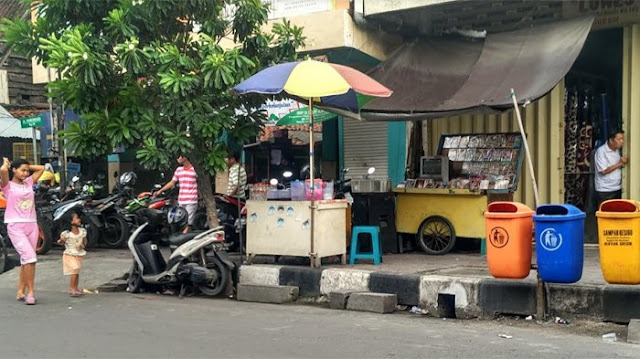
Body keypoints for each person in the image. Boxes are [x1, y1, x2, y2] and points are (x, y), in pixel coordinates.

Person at [0, 157, 45, 305]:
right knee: (30, 258)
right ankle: (30, 292)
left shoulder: (29, 183)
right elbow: (2, 170)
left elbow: (42, 168)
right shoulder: (7, 186)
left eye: (27, 171)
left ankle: (20, 291)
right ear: (14, 170)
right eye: (22, 170)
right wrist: (7, 164)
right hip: (15, 226)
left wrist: (26, 166)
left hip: (31, 224)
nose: (26, 173)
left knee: (27, 260)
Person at [154, 155, 198, 233]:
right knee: (180, 220)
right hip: (181, 200)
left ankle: (184, 239)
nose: (178, 159)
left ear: (185, 157)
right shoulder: (179, 170)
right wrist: (160, 190)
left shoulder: (195, 169)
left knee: (188, 223)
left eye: (179, 157)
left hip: (191, 200)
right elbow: (172, 182)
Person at [594, 130, 627, 209]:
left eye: (622, 139)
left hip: (617, 187)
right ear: (611, 140)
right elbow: (603, 171)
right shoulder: (601, 152)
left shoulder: (618, 150)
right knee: (605, 214)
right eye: (619, 139)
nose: (621, 141)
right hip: (605, 190)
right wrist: (620, 163)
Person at [57, 211, 87, 297]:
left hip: (78, 254)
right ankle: (72, 289)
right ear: (71, 222)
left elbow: (85, 241)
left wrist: (83, 245)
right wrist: (61, 241)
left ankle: (76, 288)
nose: (79, 219)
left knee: (76, 271)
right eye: (77, 218)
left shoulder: (82, 231)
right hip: (70, 254)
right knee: (75, 269)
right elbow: (62, 241)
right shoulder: (67, 234)